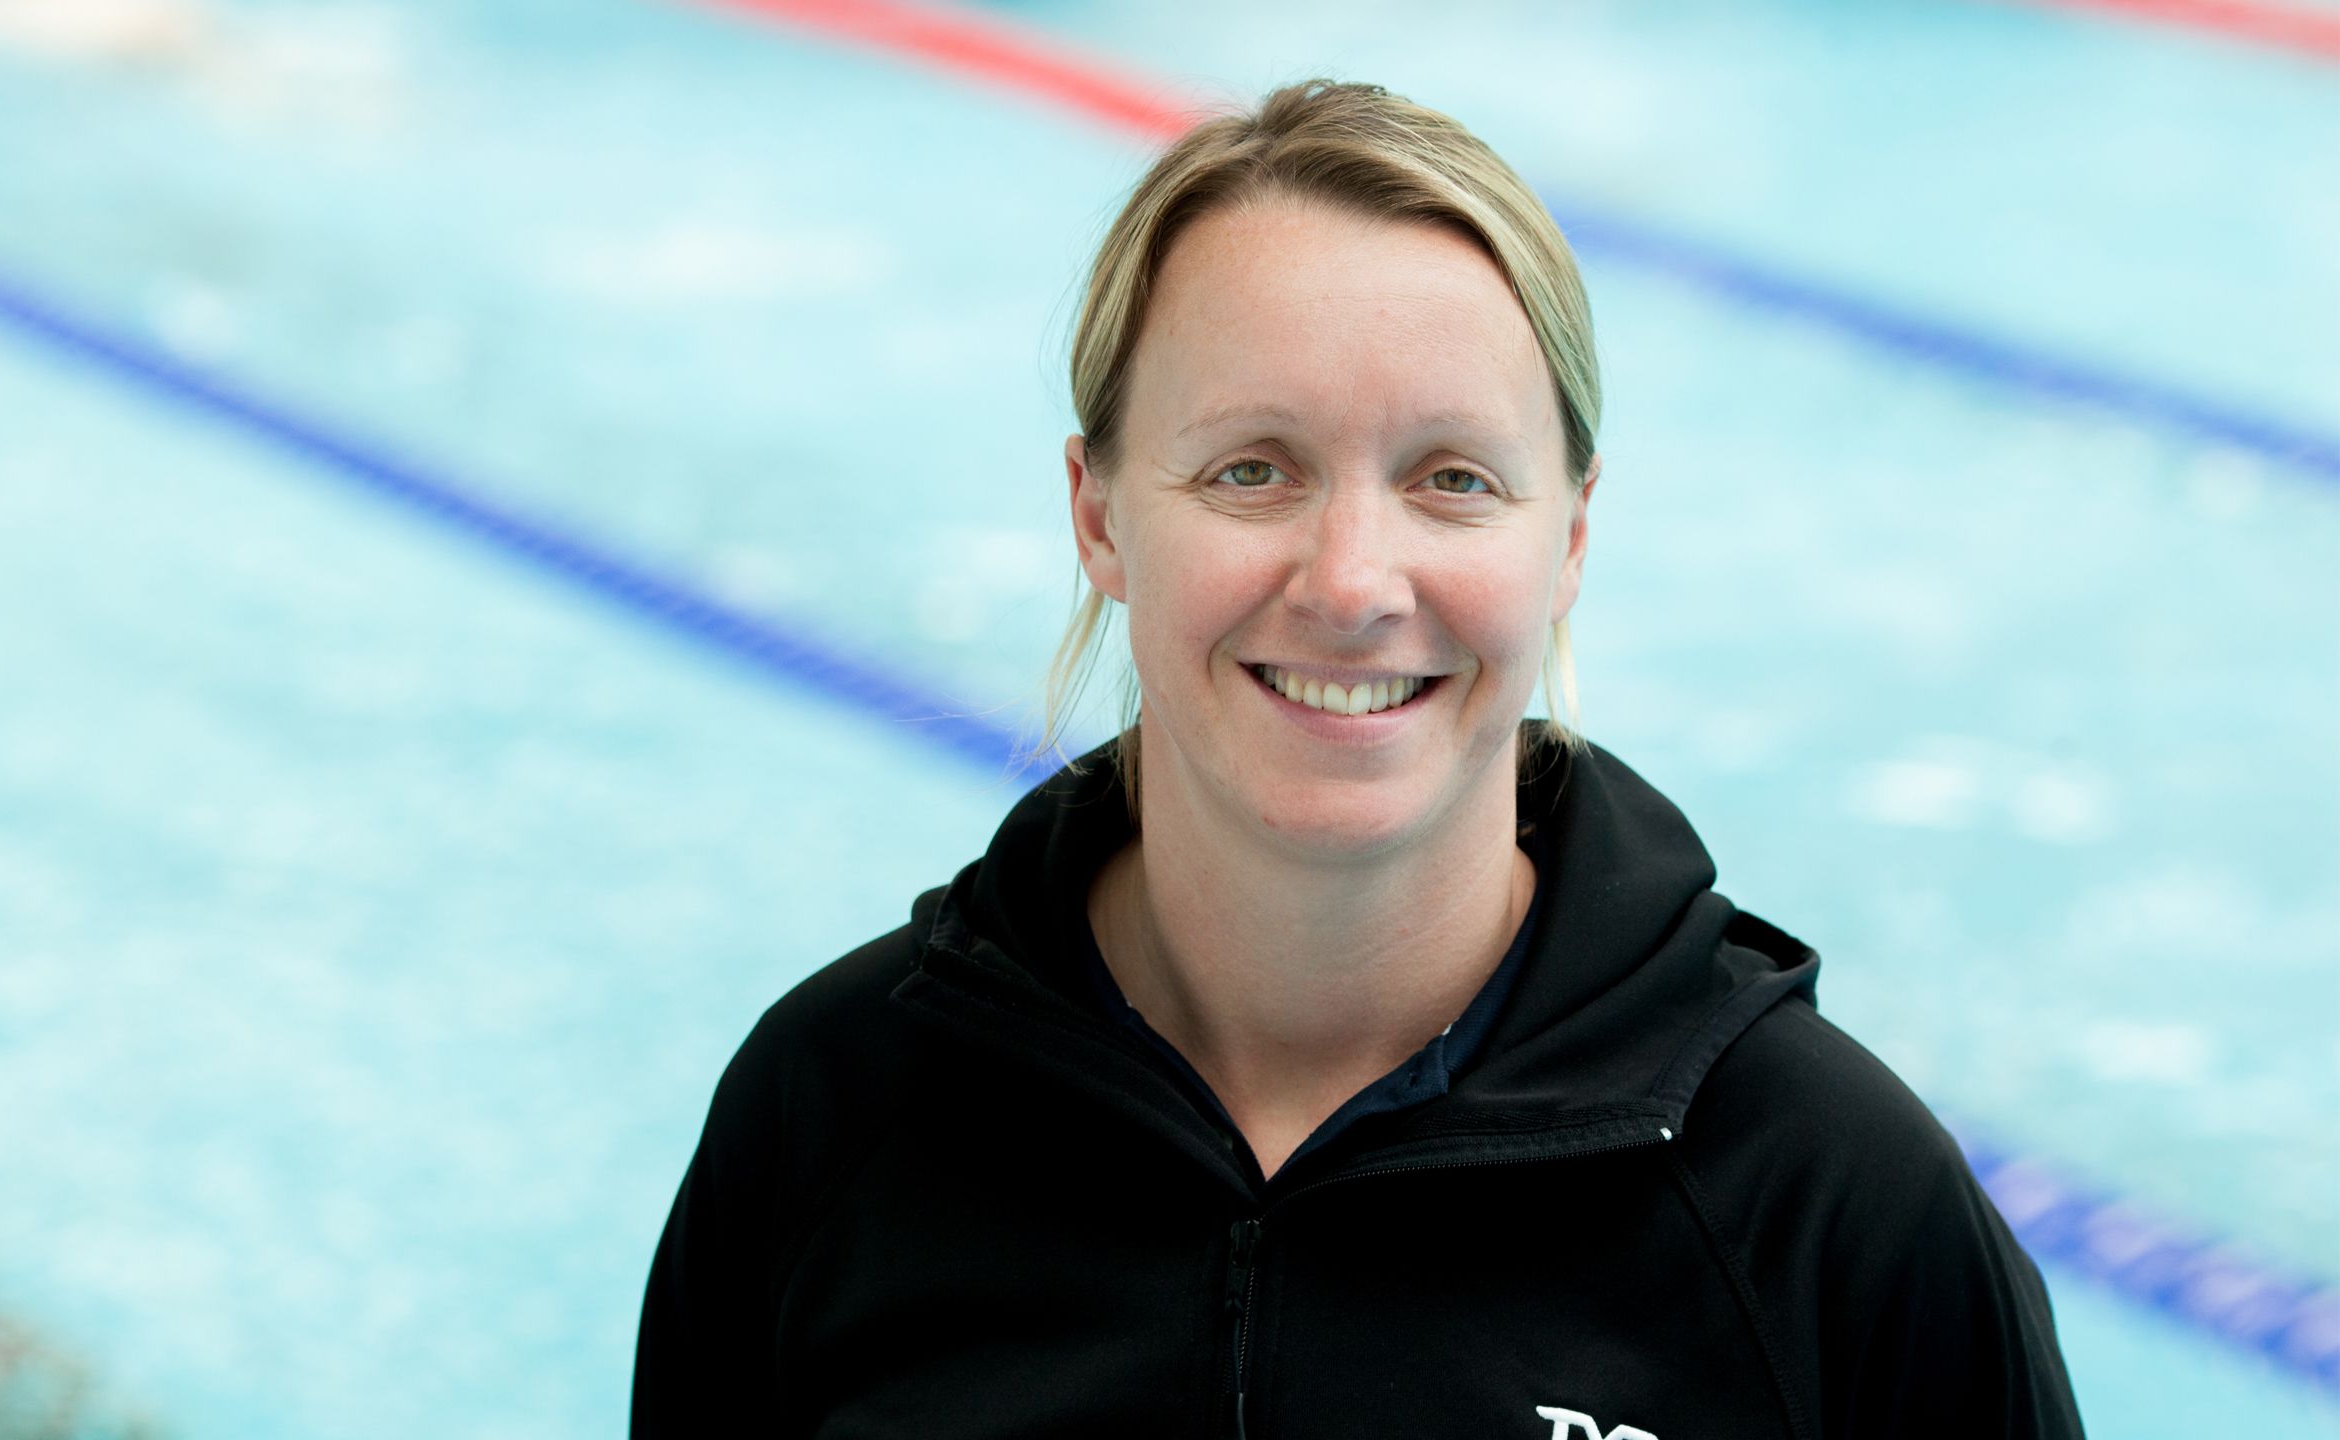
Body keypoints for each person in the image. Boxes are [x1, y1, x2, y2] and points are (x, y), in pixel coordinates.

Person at [632, 78, 2083, 1438]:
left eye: (1453, 479)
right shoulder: (837, 1116)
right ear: (1098, 512)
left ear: (1569, 539)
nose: (1350, 582)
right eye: (1251, 469)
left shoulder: (1825, 1206)